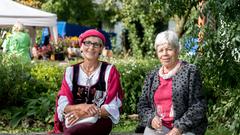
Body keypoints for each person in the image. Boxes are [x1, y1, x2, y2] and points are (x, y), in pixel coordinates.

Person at [52, 29, 124, 135]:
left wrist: (83, 114)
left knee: (73, 133)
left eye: (96, 44)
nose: (91, 47)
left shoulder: (109, 71)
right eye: (87, 43)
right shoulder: (71, 71)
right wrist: (82, 107)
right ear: (81, 47)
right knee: (72, 130)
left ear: (101, 49)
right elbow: (63, 104)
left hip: (99, 120)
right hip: (72, 119)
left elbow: (112, 106)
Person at [137, 30, 207, 135]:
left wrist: (179, 128)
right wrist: (151, 119)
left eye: (169, 49)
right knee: (149, 132)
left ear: (177, 50)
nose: (165, 54)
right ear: (157, 53)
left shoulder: (190, 71)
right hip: (161, 127)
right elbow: (142, 105)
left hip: (187, 128)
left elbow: (199, 105)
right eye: (161, 50)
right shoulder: (152, 75)